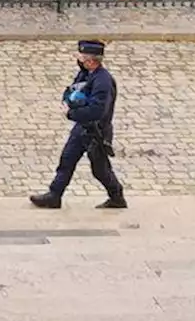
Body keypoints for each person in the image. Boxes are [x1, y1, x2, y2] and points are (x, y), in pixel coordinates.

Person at [29, 40, 126, 210]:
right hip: (82, 127)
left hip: (96, 132)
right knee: (67, 159)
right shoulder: (86, 74)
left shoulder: (103, 82)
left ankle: (116, 196)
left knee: (100, 169)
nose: (79, 60)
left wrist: (71, 114)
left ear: (91, 61)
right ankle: (54, 195)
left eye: (81, 57)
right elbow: (73, 90)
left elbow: (97, 111)